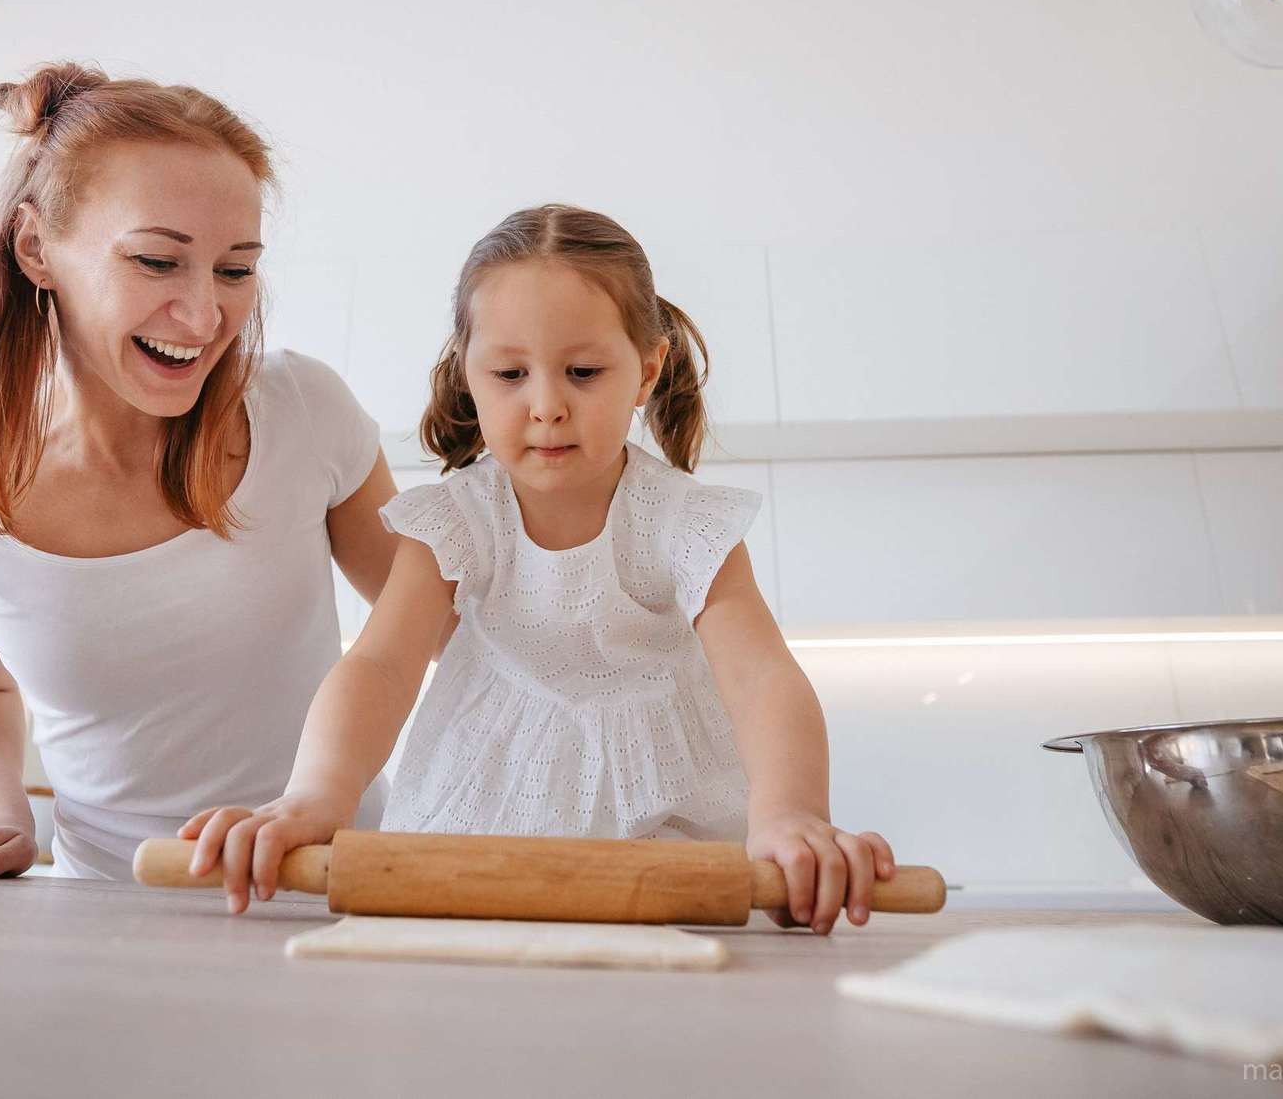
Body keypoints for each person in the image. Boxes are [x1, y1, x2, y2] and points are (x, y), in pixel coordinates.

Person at [183, 204, 896, 933]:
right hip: (473, 828)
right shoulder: (456, 522)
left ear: (647, 370)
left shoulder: (683, 522)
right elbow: (382, 667)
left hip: (664, 836)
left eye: (583, 372)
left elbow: (761, 676)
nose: (547, 405)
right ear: (469, 373)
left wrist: (792, 812)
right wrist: (315, 796)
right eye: (510, 373)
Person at [0, 62, 398, 881]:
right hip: (103, 900)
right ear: (36, 249)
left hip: (334, 879)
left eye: (235, 269)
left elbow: (434, 624)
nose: (205, 317)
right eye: (158, 262)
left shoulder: (303, 411)